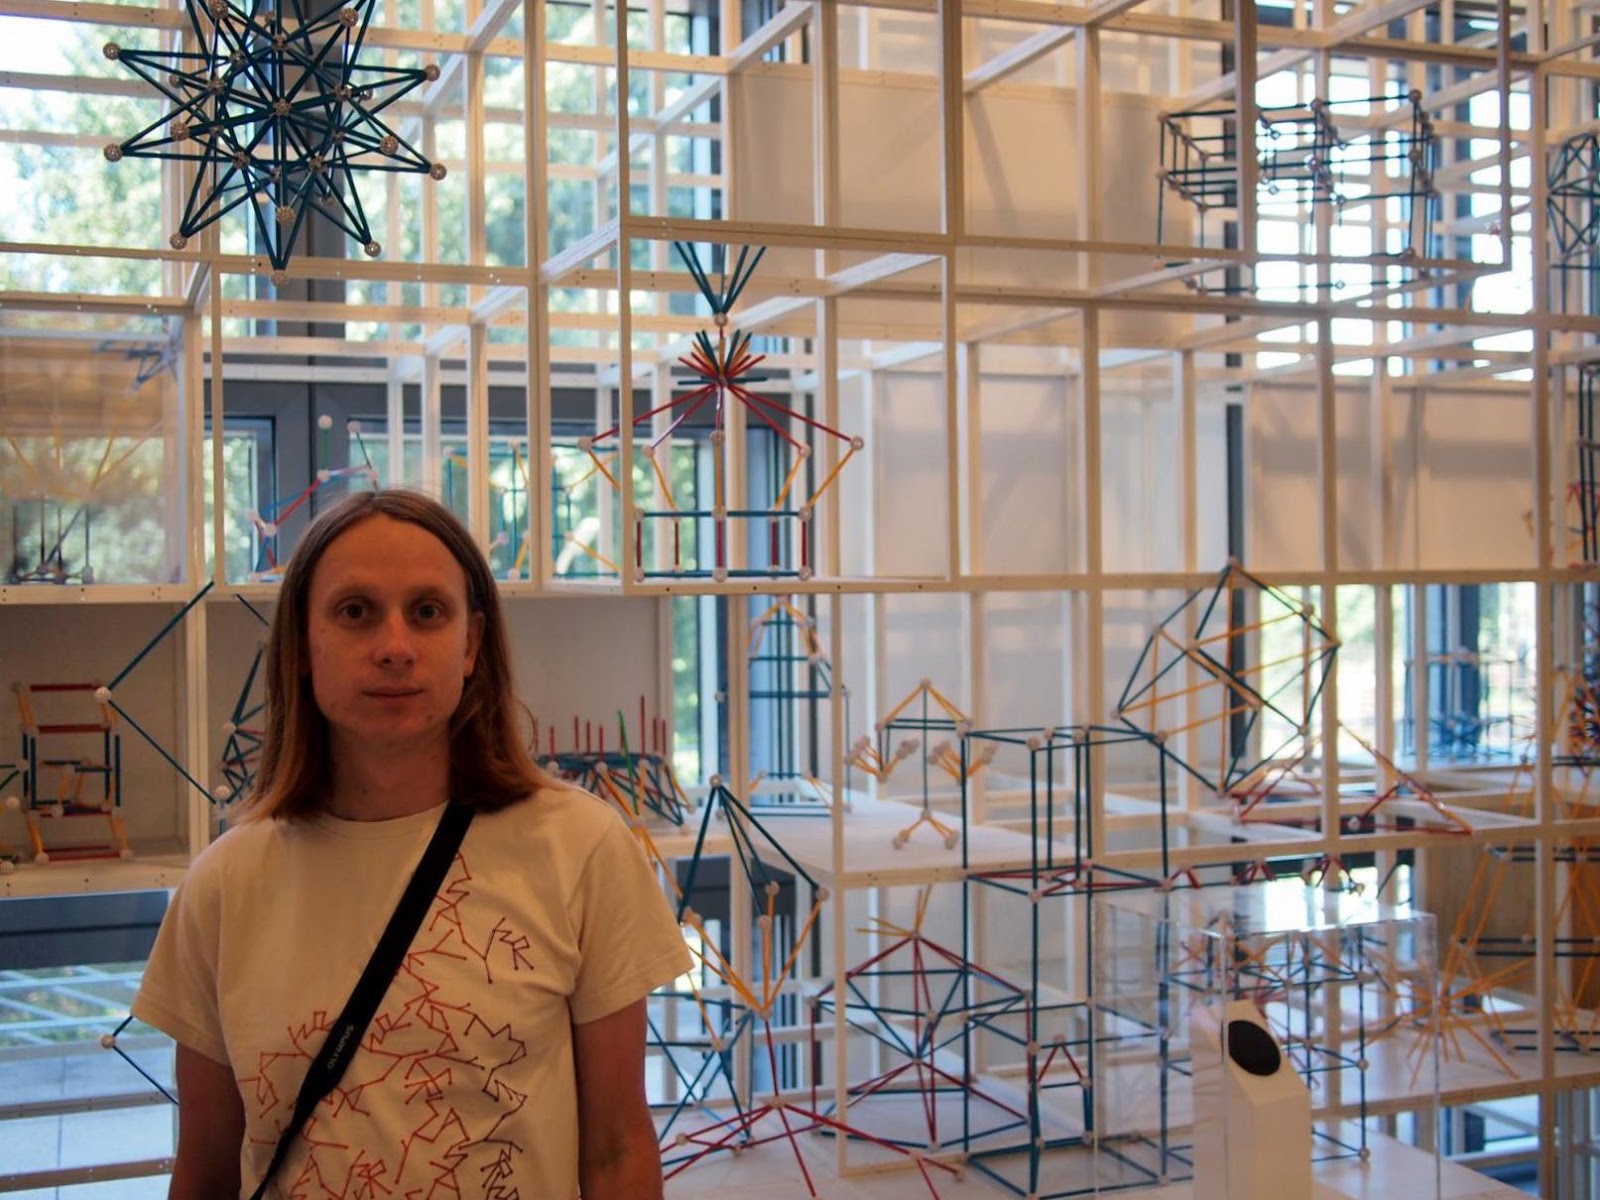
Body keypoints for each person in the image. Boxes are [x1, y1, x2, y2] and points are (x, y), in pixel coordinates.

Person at [133, 488, 691, 1199]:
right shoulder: (224, 883)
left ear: (471, 644)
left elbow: (616, 1150)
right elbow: (205, 1169)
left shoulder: (580, 848)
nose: (394, 648)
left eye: (427, 612)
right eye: (355, 611)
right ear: (302, 645)